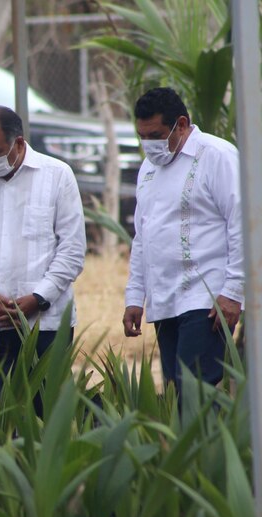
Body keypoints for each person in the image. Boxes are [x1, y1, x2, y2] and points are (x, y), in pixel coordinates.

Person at [0, 105, 86, 395]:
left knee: (45, 413)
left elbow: (72, 249)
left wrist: (38, 298)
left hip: (46, 323)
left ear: (19, 143)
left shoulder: (57, 175)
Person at [123, 87, 242, 392]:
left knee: (197, 394)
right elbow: (143, 233)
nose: (149, 144)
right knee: (176, 393)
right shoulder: (149, 168)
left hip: (206, 298)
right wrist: (135, 296)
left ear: (182, 124)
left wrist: (233, 291)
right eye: (143, 136)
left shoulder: (217, 155)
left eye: (156, 134)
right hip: (164, 299)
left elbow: (241, 223)